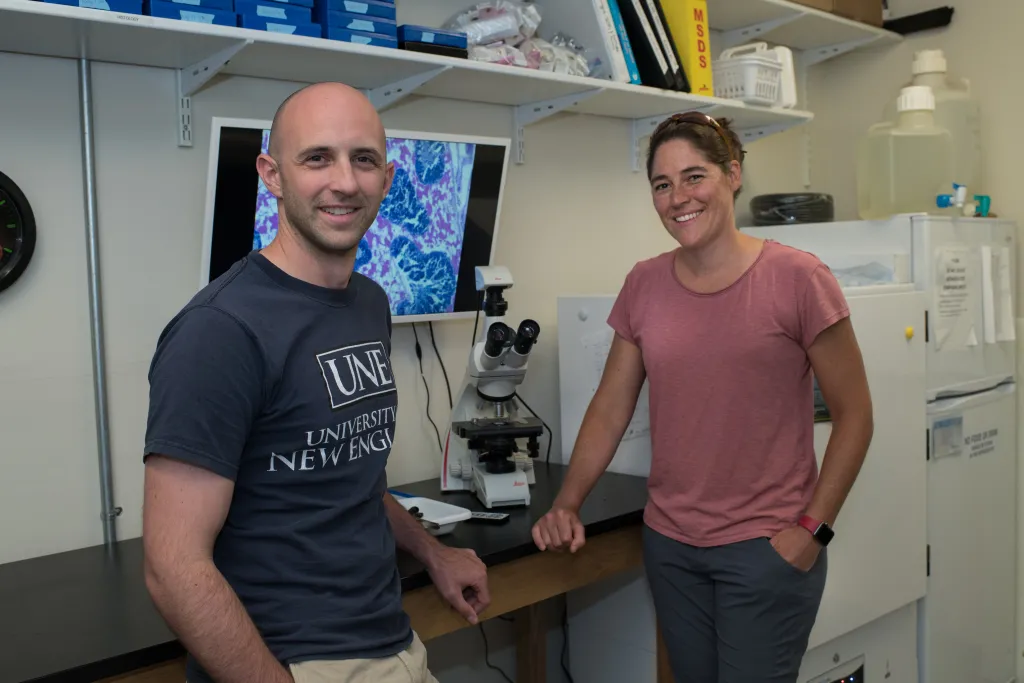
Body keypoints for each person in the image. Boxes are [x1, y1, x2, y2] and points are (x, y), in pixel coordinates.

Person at [141, 82, 490, 683]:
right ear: (272, 175)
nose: (345, 182)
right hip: (295, 660)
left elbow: (347, 475)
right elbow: (172, 567)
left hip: (393, 637)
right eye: (316, 158)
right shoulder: (219, 331)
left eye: (363, 159)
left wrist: (431, 550)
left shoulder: (368, 303)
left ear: (386, 176)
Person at [531, 112, 874, 683]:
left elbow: (855, 415)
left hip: (765, 548)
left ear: (733, 174)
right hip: (672, 547)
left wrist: (812, 530)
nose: (677, 197)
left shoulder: (798, 278)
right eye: (662, 185)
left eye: (694, 176)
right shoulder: (644, 283)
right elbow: (610, 407)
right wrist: (567, 502)